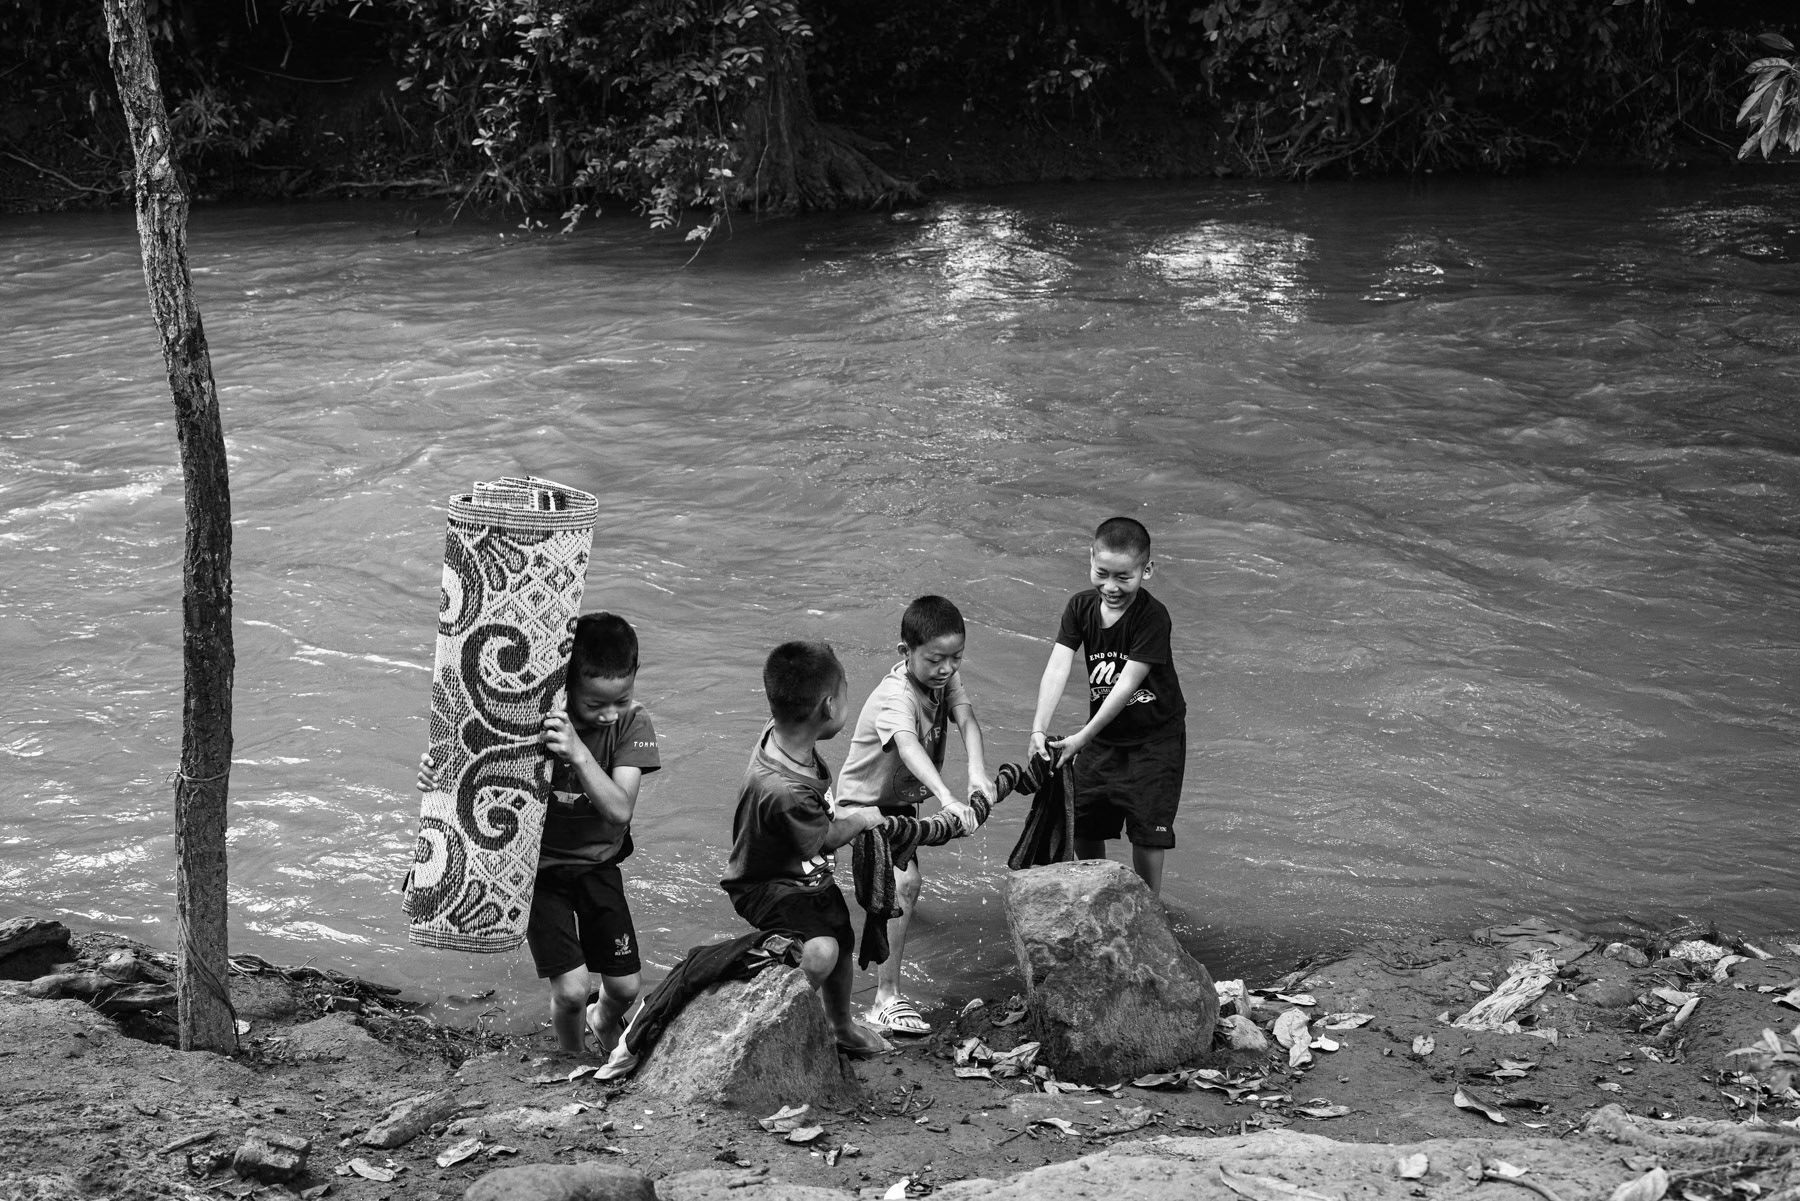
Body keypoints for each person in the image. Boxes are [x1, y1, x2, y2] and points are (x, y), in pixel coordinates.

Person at [418, 611, 657, 1057]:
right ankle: (572, 1059)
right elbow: (473, 767)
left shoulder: (633, 723)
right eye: (593, 704)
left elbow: (620, 810)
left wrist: (579, 752)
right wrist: (437, 775)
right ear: (565, 684)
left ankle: (602, 1018)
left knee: (625, 987)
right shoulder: (529, 717)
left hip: (597, 866)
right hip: (537, 871)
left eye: (620, 700)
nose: (609, 714)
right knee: (571, 989)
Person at [720, 640, 892, 1055]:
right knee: (822, 951)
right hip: (767, 884)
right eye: (847, 690)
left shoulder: (782, 731)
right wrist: (865, 817)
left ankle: (840, 1025)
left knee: (841, 939)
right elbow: (829, 837)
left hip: (805, 876)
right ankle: (770, 1022)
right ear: (829, 707)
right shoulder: (787, 790)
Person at [835, 595, 989, 1037]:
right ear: (906, 653)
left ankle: (895, 922)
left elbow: (968, 720)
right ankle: (885, 999)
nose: (946, 669)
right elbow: (908, 745)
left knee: (904, 892)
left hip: (899, 802)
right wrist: (946, 797)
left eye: (956, 659)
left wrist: (977, 775)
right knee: (905, 882)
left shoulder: (943, 679)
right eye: (936, 660)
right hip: (861, 805)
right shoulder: (895, 695)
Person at [1028, 517, 1186, 895]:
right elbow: (1057, 665)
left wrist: (1082, 737)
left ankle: (1149, 907)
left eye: (1124, 577)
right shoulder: (1080, 607)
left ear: (1146, 570)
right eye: (1102, 573)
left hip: (1154, 741)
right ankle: (1092, 895)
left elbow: (1127, 683)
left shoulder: (1152, 617)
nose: (1111, 587)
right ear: (1091, 559)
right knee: (1083, 822)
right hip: (1103, 738)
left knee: (1148, 833)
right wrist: (1037, 728)